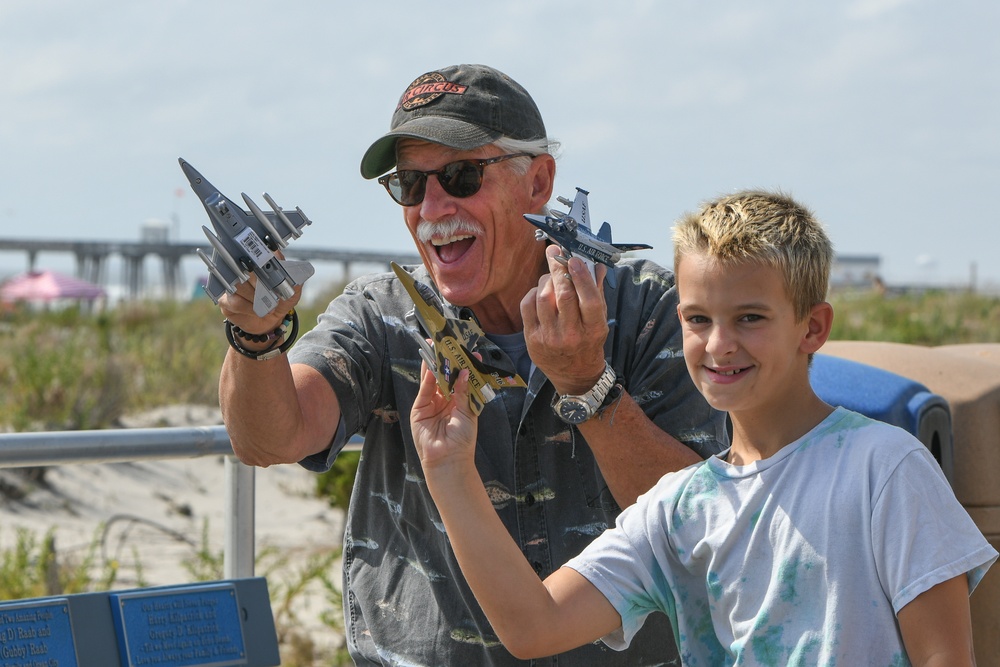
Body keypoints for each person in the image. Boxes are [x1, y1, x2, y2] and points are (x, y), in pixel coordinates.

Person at [216, 63, 727, 665]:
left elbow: (697, 528)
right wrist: (254, 336)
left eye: (461, 176)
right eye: (409, 183)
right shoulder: (384, 313)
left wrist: (590, 387)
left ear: (538, 184)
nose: (432, 206)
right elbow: (269, 437)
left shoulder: (650, 310)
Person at [410, 189, 999, 665]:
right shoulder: (676, 506)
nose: (719, 345)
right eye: (697, 319)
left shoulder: (884, 470)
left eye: (750, 318)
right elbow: (533, 626)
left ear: (813, 328)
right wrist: (447, 468)